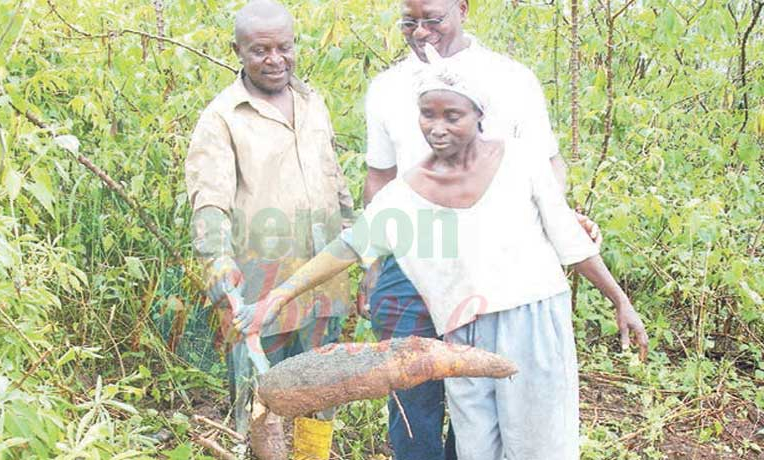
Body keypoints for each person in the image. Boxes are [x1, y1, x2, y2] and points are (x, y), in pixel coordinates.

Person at [235, 67, 648, 460]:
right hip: (460, 333)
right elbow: (347, 247)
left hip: (534, 322)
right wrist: (276, 298)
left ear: (480, 115)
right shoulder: (405, 194)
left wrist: (619, 300)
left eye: (453, 115)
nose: (437, 127)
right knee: (476, 447)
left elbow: (570, 240)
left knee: (539, 445)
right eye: (427, 114)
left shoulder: (520, 162)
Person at [361, 0, 600, 457]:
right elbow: (379, 178)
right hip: (409, 262)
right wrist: (373, 262)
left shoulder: (510, 79)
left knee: (479, 392)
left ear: (463, 9)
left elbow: (547, 165)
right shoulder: (386, 88)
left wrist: (559, 218)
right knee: (411, 392)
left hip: (491, 267)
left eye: (434, 20)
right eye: (409, 22)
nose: (422, 33)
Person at [184, 1, 354, 458]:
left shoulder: (312, 102)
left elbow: (335, 182)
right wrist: (217, 257)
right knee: (262, 398)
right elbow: (209, 201)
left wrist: (359, 245)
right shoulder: (223, 117)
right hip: (261, 291)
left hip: (324, 278)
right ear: (237, 50)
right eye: (260, 50)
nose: (275, 59)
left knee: (324, 392)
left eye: (284, 47)